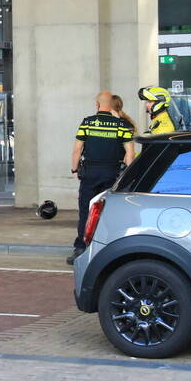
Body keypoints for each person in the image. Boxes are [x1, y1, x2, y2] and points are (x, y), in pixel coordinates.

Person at [67, 91, 136, 265]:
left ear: (97, 105)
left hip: (90, 172)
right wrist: (127, 175)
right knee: (108, 211)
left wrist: (75, 169)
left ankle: (81, 248)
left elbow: (77, 149)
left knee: (86, 210)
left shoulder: (88, 122)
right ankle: (106, 249)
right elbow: (130, 153)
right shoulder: (122, 125)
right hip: (112, 173)